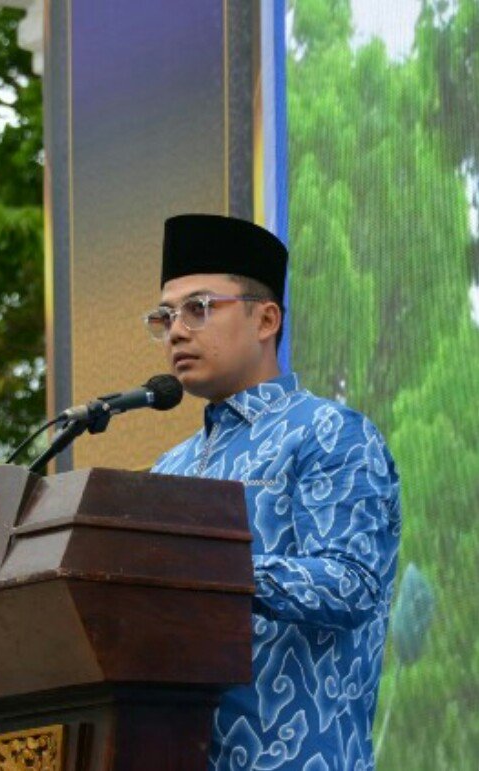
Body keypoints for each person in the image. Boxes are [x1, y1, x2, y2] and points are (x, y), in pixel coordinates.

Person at [147, 214, 401, 771]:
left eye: (199, 308)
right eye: (165, 317)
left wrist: (209, 570)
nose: (177, 331)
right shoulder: (169, 467)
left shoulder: (330, 433)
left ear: (266, 319)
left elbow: (351, 583)